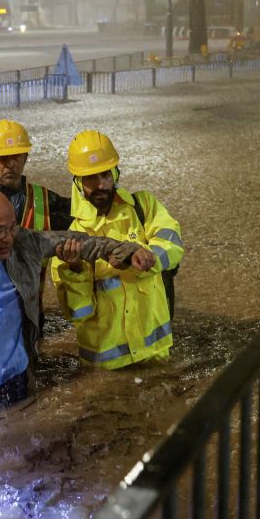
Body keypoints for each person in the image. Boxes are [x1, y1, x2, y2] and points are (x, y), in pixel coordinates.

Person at [0, 190, 152, 405]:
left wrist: (127, 251)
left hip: (11, 374)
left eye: (11, 227)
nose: (8, 238)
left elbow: (82, 241)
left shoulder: (25, 243)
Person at [51, 131, 184, 370]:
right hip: (106, 368)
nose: (100, 184)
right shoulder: (70, 240)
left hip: (156, 353)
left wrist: (150, 257)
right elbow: (78, 314)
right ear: (78, 182)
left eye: (105, 174)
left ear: (116, 173)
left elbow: (173, 245)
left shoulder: (144, 206)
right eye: (90, 178)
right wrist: (75, 269)